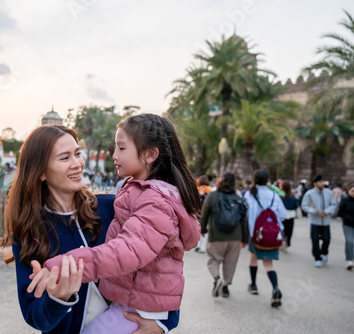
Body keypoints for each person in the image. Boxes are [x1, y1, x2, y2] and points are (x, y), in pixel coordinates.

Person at [31, 114, 201, 333]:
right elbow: (35, 315)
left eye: (78, 154)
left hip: (134, 309)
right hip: (130, 306)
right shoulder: (30, 229)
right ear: (41, 170)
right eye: (64, 158)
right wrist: (56, 297)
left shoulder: (128, 204)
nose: (113, 155)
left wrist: (163, 324)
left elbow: (128, 254)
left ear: (150, 154)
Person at [200, 172, 248, 298]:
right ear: (234, 184)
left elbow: (204, 214)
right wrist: (245, 238)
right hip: (235, 236)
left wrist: (203, 229)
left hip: (217, 235)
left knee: (214, 260)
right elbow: (244, 219)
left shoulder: (213, 195)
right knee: (230, 262)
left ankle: (217, 278)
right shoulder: (238, 198)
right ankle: (225, 287)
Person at [243, 169, 286, 307]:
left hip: (255, 234)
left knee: (253, 258)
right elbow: (283, 215)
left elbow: (245, 213)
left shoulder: (250, 194)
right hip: (272, 235)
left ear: (254, 180)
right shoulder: (274, 195)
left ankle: (254, 285)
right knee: (268, 264)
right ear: (268, 180)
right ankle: (275, 288)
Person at [301, 174, 338, 268]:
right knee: (315, 240)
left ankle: (324, 252)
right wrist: (315, 211)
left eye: (322, 181)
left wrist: (327, 211)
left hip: (326, 222)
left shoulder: (328, 192)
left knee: (327, 239)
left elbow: (334, 204)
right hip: (315, 221)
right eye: (320, 182)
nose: (322, 183)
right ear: (315, 183)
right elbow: (304, 205)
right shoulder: (309, 193)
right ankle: (317, 258)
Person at [337, 183, 354, 270]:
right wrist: (347, 218)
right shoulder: (345, 200)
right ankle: (349, 260)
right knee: (349, 241)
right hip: (348, 225)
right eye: (352, 191)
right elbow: (340, 212)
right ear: (348, 191)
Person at [280, 180, 299, 252]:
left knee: (282, 230)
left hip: (282, 215)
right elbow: (295, 206)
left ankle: (282, 241)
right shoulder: (292, 196)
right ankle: (287, 243)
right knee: (289, 231)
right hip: (290, 215)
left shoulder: (280, 195)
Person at [195, 175, 212, 253]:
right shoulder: (210, 189)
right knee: (205, 229)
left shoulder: (196, 189)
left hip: (197, 211)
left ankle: (197, 244)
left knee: (197, 228)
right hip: (206, 212)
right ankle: (203, 247)